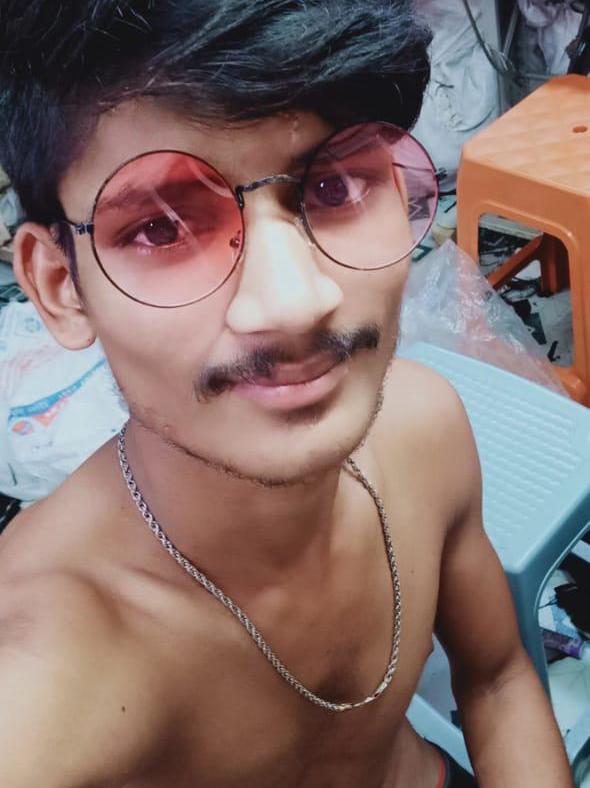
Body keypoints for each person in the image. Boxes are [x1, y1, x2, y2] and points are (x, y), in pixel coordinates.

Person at [0, 2, 573, 786]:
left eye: (335, 186)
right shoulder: (42, 675)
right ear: (60, 286)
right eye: (163, 229)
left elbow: (499, 679)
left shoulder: (426, 428)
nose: (296, 302)